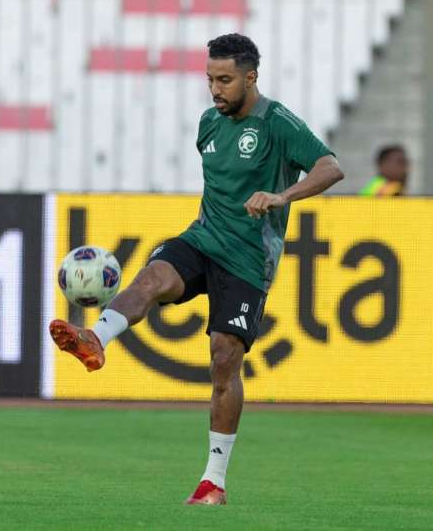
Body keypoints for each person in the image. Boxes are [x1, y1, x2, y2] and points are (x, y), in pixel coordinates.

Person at [50, 33, 344, 505]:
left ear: (251, 77)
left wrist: (281, 196)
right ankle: (95, 338)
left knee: (224, 359)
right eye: (209, 79)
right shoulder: (209, 124)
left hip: (248, 259)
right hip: (203, 239)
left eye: (225, 80)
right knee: (152, 278)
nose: (214, 89)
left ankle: (214, 481)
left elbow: (330, 167)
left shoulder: (278, 123)